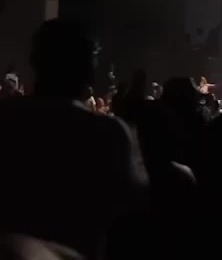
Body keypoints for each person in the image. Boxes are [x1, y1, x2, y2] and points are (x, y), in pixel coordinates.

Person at [0, 20, 148, 259]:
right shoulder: (108, 133)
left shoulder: (6, 120)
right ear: (89, 67)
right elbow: (134, 211)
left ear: (34, 60)